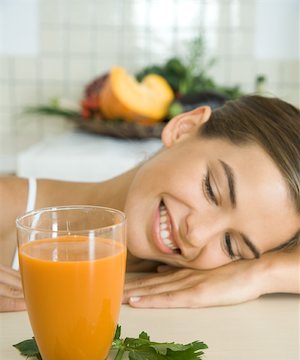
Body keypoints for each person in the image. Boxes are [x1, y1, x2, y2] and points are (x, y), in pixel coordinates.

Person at [0, 95, 299, 312]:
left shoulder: (212, 276)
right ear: (184, 128)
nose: (197, 235)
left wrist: (262, 274)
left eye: (232, 245)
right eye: (211, 189)